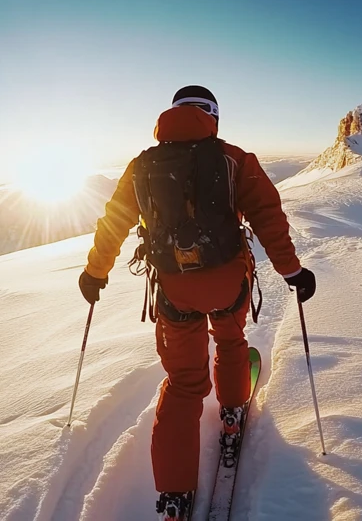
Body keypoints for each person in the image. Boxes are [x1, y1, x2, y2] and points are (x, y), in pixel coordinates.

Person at [77, 86, 316, 520]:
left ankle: (173, 500)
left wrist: (95, 273)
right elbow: (267, 216)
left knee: (184, 383)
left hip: (174, 289)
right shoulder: (234, 158)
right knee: (229, 341)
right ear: (213, 118)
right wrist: (292, 271)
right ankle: (231, 415)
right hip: (228, 281)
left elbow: (112, 222)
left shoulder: (142, 165)